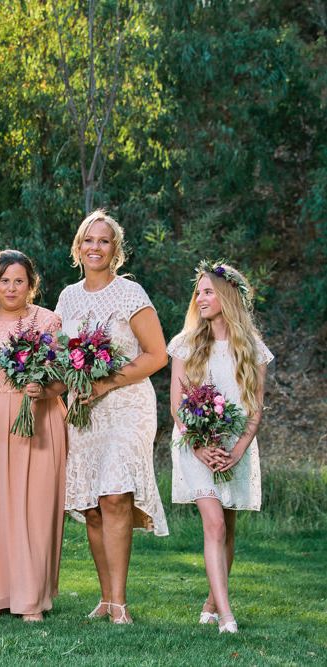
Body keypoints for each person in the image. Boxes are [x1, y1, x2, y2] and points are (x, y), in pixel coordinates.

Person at [55, 209, 169, 625]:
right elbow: (60, 355)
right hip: (84, 410)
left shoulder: (129, 294)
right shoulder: (68, 297)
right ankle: (104, 597)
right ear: (78, 247)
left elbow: (156, 355)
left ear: (115, 250)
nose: (95, 247)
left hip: (126, 405)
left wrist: (105, 384)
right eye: (89, 240)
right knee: (93, 506)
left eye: (104, 241)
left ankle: (120, 601)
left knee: (116, 494)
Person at [0, 249, 66, 622]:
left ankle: (30, 599)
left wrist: (45, 389)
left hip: (34, 422)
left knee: (31, 508)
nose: (11, 287)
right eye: (4, 280)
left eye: (19, 281)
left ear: (31, 285)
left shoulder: (47, 321)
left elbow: (62, 378)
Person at [169, 261, 272, 634]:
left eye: (208, 291)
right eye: (199, 292)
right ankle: (227, 616)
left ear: (228, 296)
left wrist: (239, 448)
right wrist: (199, 446)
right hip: (194, 445)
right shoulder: (185, 343)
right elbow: (178, 405)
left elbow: (255, 407)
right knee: (213, 524)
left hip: (235, 446)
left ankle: (213, 601)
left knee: (227, 526)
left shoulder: (253, 350)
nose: (201, 297)